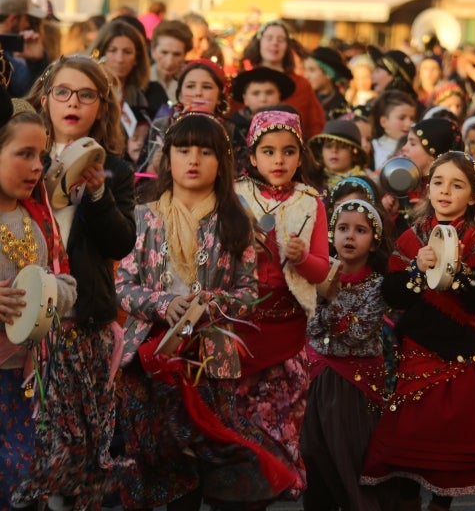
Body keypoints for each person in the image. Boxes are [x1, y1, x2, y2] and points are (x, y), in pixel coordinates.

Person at [115, 113, 294, 510]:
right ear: (168, 158)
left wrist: (212, 303)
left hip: (209, 361)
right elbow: (122, 286)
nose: (193, 159)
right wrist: (164, 303)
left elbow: (249, 291)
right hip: (151, 359)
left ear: (221, 162)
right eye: (183, 150)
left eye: (205, 151)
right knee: (158, 457)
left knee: (202, 456)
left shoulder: (236, 221)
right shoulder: (144, 217)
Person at [12, 57, 136, 510]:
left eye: (86, 95)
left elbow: (120, 244)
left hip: (82, 325)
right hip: (23, 322)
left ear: (101, 106)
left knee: (80, 452)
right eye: (62, 92)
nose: (73, 103)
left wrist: (99, 194)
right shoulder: (19, 156)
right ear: (44, 97)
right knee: (32, 447)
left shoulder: (116, 170)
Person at [361, 151, 475, 509]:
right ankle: (409, 499)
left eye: (457, 185)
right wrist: (416, 269)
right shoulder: (411, 239)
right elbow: (391, 293)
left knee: (450, 436)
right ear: (427, 189)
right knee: (409, 434)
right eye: (438, 182)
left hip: (458, 353)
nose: (445, 191)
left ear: (473, 196)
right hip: (415, 350)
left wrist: (455, 272)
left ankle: (441, 504)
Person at [233, 109, 332, 506]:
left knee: (279, 418)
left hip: (288, 328)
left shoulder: (311, 203)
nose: (279, 160)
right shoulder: (236, 196)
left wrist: (301, 257)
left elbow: (322, 270)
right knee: (241, 418)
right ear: (252, 157)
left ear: (300, 157)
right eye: (269, 151)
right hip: (242, 326)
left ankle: (269, 487)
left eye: (289, 152)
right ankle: (242, 490)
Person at [0, 107, 77, 510]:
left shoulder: (39, 217)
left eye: (41, 156)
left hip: (32, 382)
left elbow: (70, 285)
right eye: (23, 154)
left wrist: (48, 290)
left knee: (27, 484)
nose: (36, 167)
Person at [301, 199, 392, 511]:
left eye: (360, 230)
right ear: (331, 234)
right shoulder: (315, 275)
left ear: (374, 240)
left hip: (355, 386)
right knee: (313, 454)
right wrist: (329, 304)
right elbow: (309, 326)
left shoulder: (378, 286)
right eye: (342, 228)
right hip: (316, 380)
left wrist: (332, 298)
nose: (349, 236)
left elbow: (357, 334)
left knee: (350, 458)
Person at [239, 20, 325, 139]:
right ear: (259, 43)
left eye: (281, 40)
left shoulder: (302, 85)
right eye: (269, 38)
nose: (275, 43)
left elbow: (315, 125)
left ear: (287, 46)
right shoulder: (244, 81)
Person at [89, 19, 152, 130]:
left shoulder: (138, 97)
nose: (120, 59)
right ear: (99, 54)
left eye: (127, 52)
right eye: (113, 50)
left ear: (137, 58)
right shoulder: (87, 90)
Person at [145, 20, 194, 119]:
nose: (170, 62)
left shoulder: (193, 84)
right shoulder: (141, 81)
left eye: (177, 54)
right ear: (153, 50)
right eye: (164, 52)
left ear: (185, 55)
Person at [306, 119, 369, 192]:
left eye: (342, 147)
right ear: (321, 152)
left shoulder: (364, 185)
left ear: (354, 155)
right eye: (328, 146)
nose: (334, 151)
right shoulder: (312, 182)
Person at [370, 90, 417, 170]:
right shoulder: (373, 149)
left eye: (412, 118)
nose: (409, 124)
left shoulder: (416, 148)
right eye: (402, 118)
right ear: (383, 122)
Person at [305, 46, 352, 118]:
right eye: (305, 70)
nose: (306, 76)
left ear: (329, 73)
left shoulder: (341, 109)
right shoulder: (304, 100)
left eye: (312, 70)